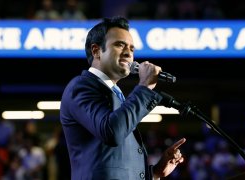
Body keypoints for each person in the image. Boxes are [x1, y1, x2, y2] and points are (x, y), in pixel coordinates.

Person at [60, 16, 186, 180]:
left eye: (132, 49)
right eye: (120, 45)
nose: (128, 53)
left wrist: (154, 173)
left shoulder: (116, 94)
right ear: (96, 51)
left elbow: (114, 160)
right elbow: (111, 132)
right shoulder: (80, 87)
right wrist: (145, 87)